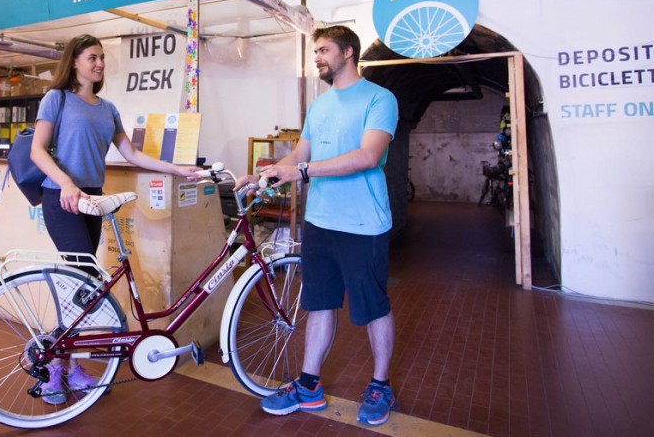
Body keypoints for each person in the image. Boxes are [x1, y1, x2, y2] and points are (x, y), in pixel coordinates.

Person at [234, 25, 399, 426]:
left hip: (363, 223)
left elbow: (367, 156)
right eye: (316, 52)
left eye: (324, 50)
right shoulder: (320, 106)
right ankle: (309, 386)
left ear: (348, 52)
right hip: (321, 221)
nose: (318, 58)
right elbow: (299, 155)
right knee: (319, 303)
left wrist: (304, 171)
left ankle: (380, 385)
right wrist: (264, 176)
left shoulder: (379, 99)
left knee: (373, 306)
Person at [30, 34, 201, 404]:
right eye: (92, 57)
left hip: (92, 199)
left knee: (84, 287)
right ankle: (56, 369)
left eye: (102, 58)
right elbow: (37, 150)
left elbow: (132, 154)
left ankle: (69, 364)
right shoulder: (56, 99)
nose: (99, 64)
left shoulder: (107, 108)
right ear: (75, 61)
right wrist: (66, 183)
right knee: (81, 282)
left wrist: (177, 169)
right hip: (62, 198)